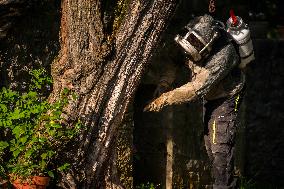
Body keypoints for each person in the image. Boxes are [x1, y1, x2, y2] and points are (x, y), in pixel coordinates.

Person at [144, 14, 248, 189]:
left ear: (207, 47)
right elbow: (175, 60)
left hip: (226, 97)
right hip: (211, 96)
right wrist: (164, 83)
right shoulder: (192, 33)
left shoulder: (223, 55)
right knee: (210, 145)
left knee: (220, 149)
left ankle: (225, 186)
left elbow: (195, 89)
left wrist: (164, 99)